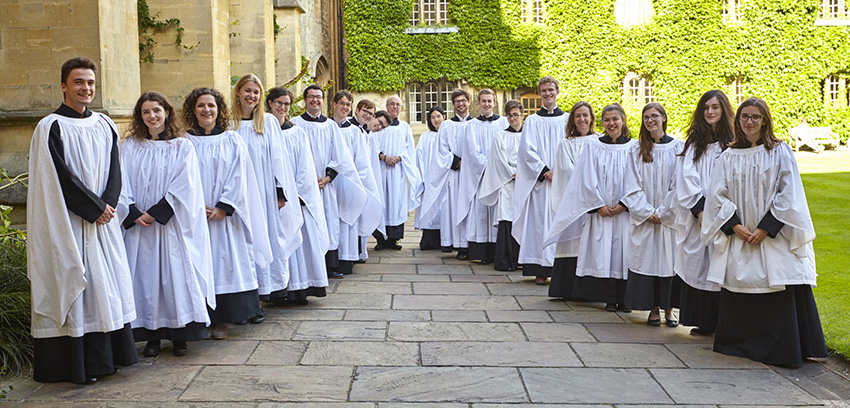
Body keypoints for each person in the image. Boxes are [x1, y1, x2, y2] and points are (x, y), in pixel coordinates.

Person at [28, 57, 137, 383]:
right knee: (76, 281)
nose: (86, 88)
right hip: (70, 223)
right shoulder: (50, 126)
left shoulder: (105, 124)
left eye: (90, 82)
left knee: (105, 286)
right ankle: (77, 367)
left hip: (103, 222)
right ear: (64, 86)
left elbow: (116, 169)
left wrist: (108, 204)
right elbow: (58, 178)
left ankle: (107, 360)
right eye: (78, 82)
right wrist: (93, 208)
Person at [701, 97, 827, 366]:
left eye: (755, 117)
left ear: (765, 120)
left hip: (772, 235)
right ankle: (741, 345)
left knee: (776, 282)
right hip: (741, 234)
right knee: (740, 282)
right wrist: (735, 226)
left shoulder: (780, 151)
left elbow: (788, 193)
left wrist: (765, 228)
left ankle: (782, 348)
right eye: (744, 116)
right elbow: (716, 196)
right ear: (738, 120)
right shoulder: (728, 156)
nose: (749, 122)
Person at [121, 92, 214, 357]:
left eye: (156, 110)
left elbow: (186, 186)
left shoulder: (181, 146)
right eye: (146, 112)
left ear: (167, 113)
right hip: (140, 229)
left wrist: (155, 213)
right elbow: (121, 180)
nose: (152, 116)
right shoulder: (130, 146)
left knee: (175, 280)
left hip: (170, 226)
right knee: (145, 280)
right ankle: (151, 337)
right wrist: (132, 211)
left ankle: (179, 336)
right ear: (140, 117)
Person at [185, 87, 272, 340]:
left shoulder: (232, 140)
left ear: (219, 109)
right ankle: (202, 319)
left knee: (225, 264)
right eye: (200, 106)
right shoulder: (185, 142)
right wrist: (195, 206)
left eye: (211, 105)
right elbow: (181, 178)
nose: (206, 110)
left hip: (224, 218)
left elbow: (240, 175)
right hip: (196, 217)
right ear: (193, 110)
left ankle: (222, 319)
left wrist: (224, 206)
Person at [546, 103, 635, 312]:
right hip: (601, 212)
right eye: (607, 120)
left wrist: (625, 203)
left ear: (623, 120)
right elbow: (584, 179)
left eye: (615, 119)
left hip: (624, 213)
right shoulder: (594, 147)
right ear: (602, 122)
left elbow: (638, 179)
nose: (611, 123)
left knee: (624, 253)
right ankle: (609, 298)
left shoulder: (634, 147)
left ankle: (625, 298)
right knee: (603, 254)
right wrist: (598, 205)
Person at [231, 74, 302, 312]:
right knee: (240, 243)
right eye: (247, 90)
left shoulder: (268, 122)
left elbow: (279, 160)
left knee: (266, 237)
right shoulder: (228, 123)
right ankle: (245, 298)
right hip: (236, 194)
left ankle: (264, 293)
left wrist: (281, 194)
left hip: (264, 193)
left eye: (256, 92)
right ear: (238, 92)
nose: (251, 96)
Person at [674, 90, 734, 335]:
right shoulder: (694, 143)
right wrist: (700, 211)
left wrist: (719, 212)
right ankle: (704, 321)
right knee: (699, 263)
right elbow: (686, 177)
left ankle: (725, 322)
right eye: (706, 108)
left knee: (722, 265)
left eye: (715, 107)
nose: (710, 112)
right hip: (698, 215)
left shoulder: (732, 143)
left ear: (724, 111)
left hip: (725, 213)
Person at [292, 86, 367, 278]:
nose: (315, 100)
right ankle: (309, 267)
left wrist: (328, 177)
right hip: (302, 186)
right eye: (311, 97)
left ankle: (330, 266)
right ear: (305, 99)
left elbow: (341, 156)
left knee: (328, 221)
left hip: (325, 184)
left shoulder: (330, 126)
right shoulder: (294, 124)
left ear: (324, 101)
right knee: (308, 224)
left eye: (319, 97)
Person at [621, 103, 682, 326]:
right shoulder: (636, 150)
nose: (650, 121)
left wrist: (664, 212)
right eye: (646, 117)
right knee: (647, 261)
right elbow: (631, 185)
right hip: (645, 220)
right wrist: (647, 212)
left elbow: (679, 185)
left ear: (664, 118)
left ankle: (669, 310)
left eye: (654, 116)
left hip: (668, 220)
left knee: (669, 262)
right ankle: (653, 309)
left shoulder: (678, 148)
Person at [266, 86, 329, 304]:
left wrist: (295, 195)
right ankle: (277, 289)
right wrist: (276, 194)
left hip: (296, 197)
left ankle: (299, 288)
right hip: (270, 198)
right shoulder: (262, 132)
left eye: (286, 104)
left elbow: (305, 167)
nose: (282, 107)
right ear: (269, 104)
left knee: (299, 239)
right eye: (278, 103)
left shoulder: (296, 132)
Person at [513, 76, 569, 285]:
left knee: (560, 223)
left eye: (551, 90)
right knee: (539, 225)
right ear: (539, 93)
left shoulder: (568, 119)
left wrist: (559, 171)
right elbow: (526, 150)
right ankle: (539, 268)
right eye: (543, 90)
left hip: (561, 182)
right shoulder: (533, 121)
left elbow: (572, 148)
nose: (547, 93)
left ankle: (560, 268)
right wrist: (545, 170)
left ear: (557, 91)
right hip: (541, 182)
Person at [548, 101, 598, 297]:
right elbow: (564, 172)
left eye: (585, 115)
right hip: (572, 203)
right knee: (571, 245)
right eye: (577, 116)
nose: (582, 119)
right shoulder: (565, 144)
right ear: (572, 120)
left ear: (592, 118)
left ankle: (591, 291)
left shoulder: (600, 142)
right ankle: (568, 289)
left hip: (595, 205)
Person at [330, 90, 383, 273]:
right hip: (328, 182)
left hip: (348, 182)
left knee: (348, 219)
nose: (345, 107)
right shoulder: (327, 127)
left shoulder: (354, 131)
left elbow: (361, 161)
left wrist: (364, 184)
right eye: (342, 103)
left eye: (347, 104)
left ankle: (346, 259)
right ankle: (331, 261)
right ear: (334, 104)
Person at [420, 89, 475, 257]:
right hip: (455, 174)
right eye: (457, 101)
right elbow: (441, 150)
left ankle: (472, 244)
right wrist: (458, 162)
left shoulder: (476, 124)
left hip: (473, 174)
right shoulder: (446, 125)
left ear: (469, 102)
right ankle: (459, 245)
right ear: (453, 105)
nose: (461, 104)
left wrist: (472, 163)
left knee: (472, 208)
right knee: (455, 207)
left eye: (463, 100)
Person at [459, 89, 509, 264]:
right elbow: (472, 151)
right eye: (483, 101)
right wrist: (487, 167)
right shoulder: (471, 125)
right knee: (480, 211)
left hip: (500, 175)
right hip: (480, 175)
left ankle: (497, 251)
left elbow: (507, 147)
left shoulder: (503, 123)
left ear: (495, 103)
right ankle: (480, 251)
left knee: (498, 210)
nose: (487, 104)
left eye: (490, 101)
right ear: (478, 103)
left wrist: (498, 168)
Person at [371, 95, 422, 250]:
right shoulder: (379, 124)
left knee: (396, 203)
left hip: (397, 170)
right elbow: (371, 143)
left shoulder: (405, 127)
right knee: (381, 201)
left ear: (401, 107)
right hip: (380, 168)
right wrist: (383, 156)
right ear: (386, 106)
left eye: (398, 104)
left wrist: (399, 157)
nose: (395, 107)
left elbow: (409, 149)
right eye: (392, 104)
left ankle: (393, 239)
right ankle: (380, 238)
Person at [479, 100, 523, 271]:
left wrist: (523, 174)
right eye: (510, 116)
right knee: (507, 220)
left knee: (524, 220)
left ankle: (522, 259)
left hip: (525, 185)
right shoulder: (501, 136)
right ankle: (506, 260)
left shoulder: (529, 135)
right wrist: (512, 173)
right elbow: (497, 159)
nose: (513, 118)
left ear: (522, 115)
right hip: (507, 183)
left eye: (516, 115)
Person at [414, 106, 447, 250]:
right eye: (433, 117)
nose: (436, 120)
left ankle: (446, 240)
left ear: (444, 117)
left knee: (444, 208)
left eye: (438, 116)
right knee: (430, 207)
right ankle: (429, 241)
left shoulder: (448, 135)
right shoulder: (425, 137)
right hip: (429, 178)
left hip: (445, 179)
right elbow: (419, 158)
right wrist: (421, 179)